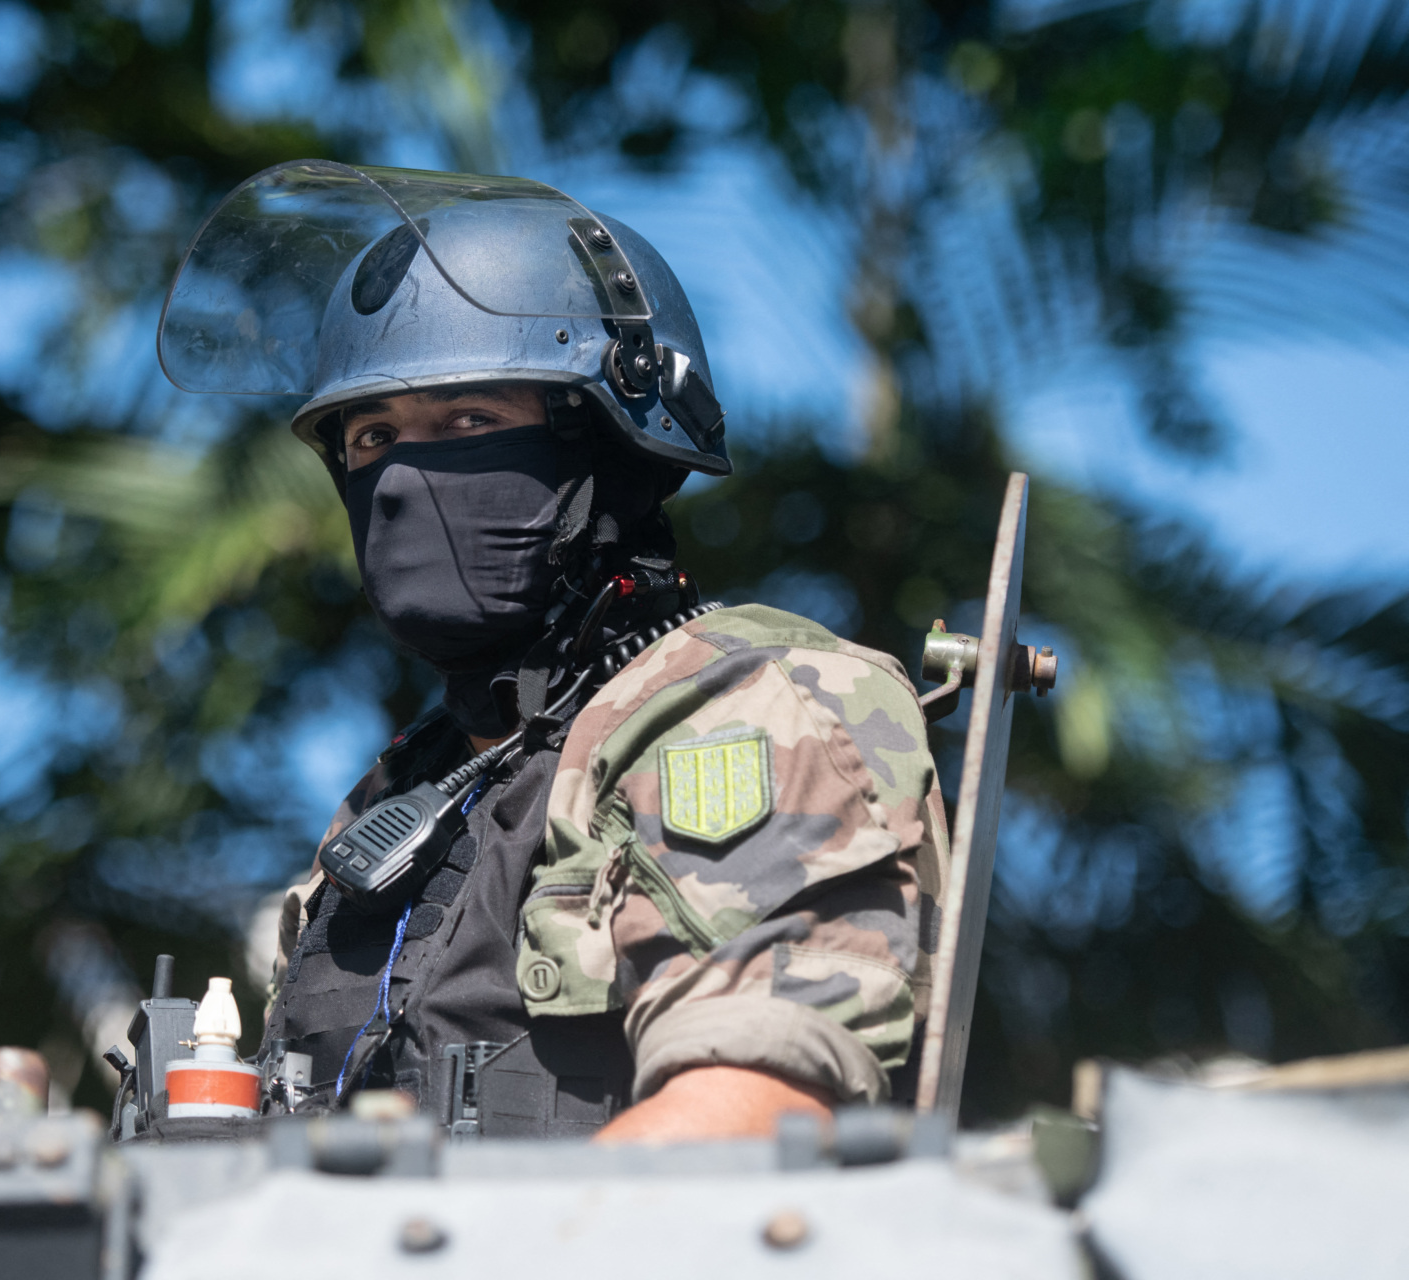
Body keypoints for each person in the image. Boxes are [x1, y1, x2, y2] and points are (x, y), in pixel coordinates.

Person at [159, 162, 949, 1143]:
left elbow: (744, 1115)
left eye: (468, 422)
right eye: (371, 437)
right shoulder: (406, 789)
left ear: (607, 448)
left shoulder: (745, 703)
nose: (404, 476)